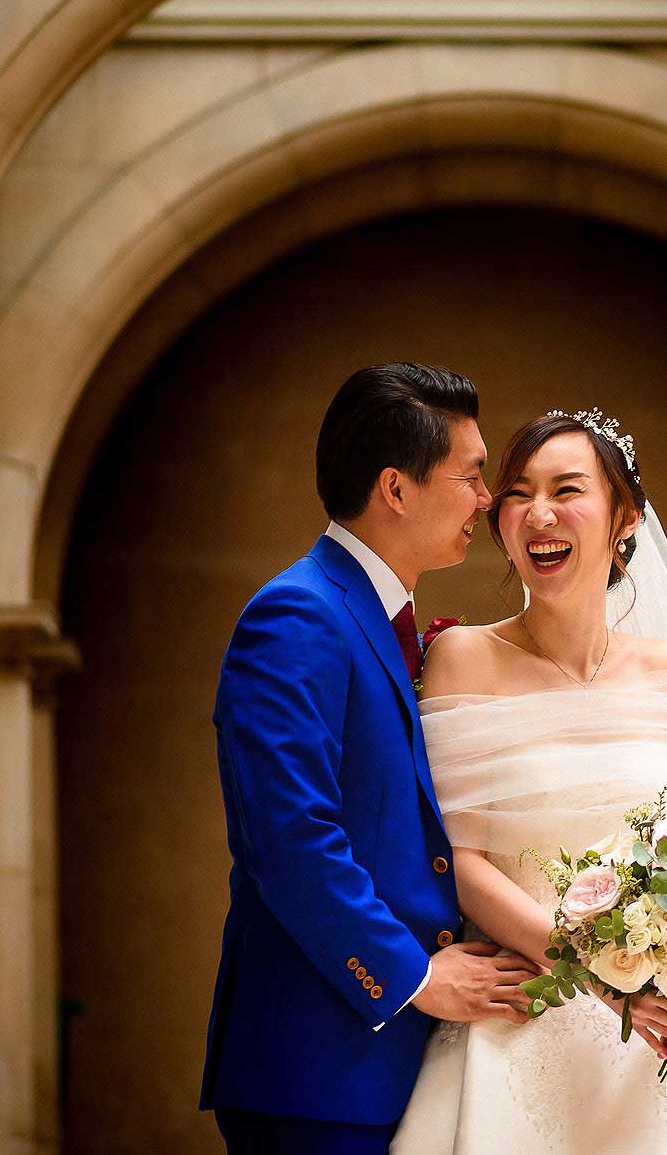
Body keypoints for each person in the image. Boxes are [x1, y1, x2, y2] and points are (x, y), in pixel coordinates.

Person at [390, 409, 667, 1154]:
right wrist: (601, 975)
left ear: (625, 516)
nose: (539, 514)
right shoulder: (463, 657)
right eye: (518, 493)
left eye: (567, 489)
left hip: (652, 1044)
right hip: (518, 1020)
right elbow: (460, 861)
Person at [201, 363, 544, 1155]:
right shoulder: (298, 614)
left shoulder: (388, 617)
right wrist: (416, 975)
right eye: (470, 475)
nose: (487, 499)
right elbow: (288, 839)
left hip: (395, 1063)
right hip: (320, 1062)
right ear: (396, 488)